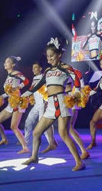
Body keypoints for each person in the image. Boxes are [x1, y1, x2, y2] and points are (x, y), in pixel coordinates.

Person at [19, 42, 85, 171]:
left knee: (64, 134)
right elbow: (38, 85)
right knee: (36, 132)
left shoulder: (66, 67)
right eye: (48, 56)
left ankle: (79, 162)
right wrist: (25, 94)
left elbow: (76, 78)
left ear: (59, 55)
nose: (49, 58)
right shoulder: (48, 71)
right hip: (50, 105)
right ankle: (34, 157)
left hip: (62, 103)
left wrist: (77, 92)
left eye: (52, 55)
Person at [0, 56, 30, 153]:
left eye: (8, 62)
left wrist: (17, 87)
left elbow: (26, 81)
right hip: (11, 104)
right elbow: (9, 92)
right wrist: (1, 96)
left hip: (17, 103)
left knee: (13, 126)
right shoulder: (8, 76)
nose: (5, 63)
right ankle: (4, 139)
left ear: (13, 64)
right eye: (5, 62)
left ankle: (25, 147)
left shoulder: (15, 73)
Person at [23, 61, 58, 154]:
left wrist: (47, 101)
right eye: (33, 68)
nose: (33, 70)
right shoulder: (34, 78)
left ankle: (52, 143)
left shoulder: (44, 77)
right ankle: (25, 143)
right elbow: (33, 90)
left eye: (35, 67)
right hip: (37, 104)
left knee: (43, 125)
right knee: (28, 122)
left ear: (40, 68)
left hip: (43, 103)